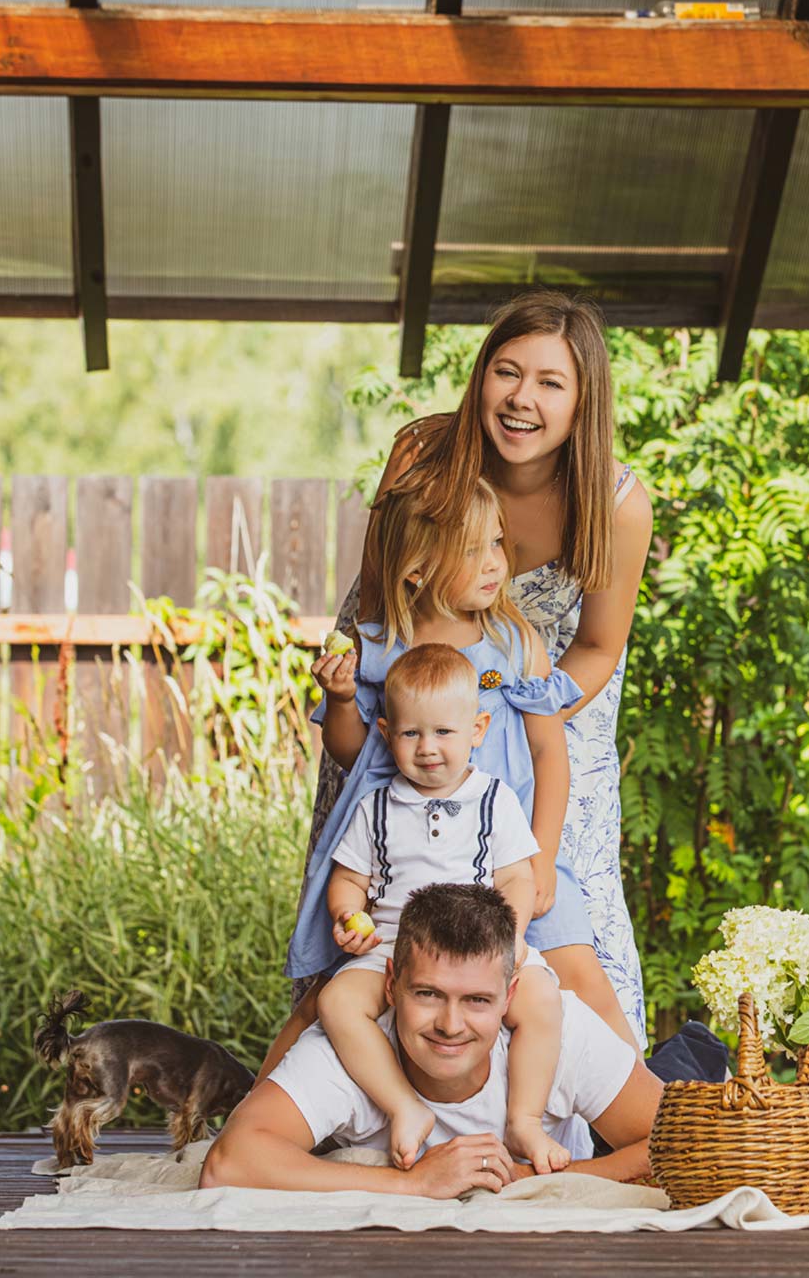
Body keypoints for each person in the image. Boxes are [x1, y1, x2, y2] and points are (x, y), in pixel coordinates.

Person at [263, 289, 653, 1079]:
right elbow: (383, 599)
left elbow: (597, 647)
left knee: (558, 920)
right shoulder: (422, 454)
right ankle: (353, 1092)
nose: (521, 398)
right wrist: (406, 708)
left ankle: (608, 1103)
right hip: (406, 686)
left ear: (583, 401)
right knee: (382, 904)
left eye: (550, 382)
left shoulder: (615, 502)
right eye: (507, 372)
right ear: (481, 376)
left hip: (540, 696)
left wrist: (509, 711)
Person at [206, 883, 664, 1198]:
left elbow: (682, 1143)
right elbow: (229, 1161)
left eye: (477, 1000)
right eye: (428, 994)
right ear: (391, 985)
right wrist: (415, 1184)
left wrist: (525, 1178)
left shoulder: (559, 1032)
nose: (450, 1024)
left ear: (509, 997)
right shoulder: (350, 1047)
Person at [315, 643, 571, 1173]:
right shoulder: (376, 807)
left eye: (444, 732)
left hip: (479, 951)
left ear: (477, 730)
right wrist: (347, 916)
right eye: (411, 733)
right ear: (386, 733)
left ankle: (524, 1119)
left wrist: (511, 939)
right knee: (337, 1001)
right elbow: (349, 880)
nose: (428, 748)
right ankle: (402, 1106)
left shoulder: (494, 800)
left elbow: (517, 878)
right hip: (394, 948)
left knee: (544, 1000)